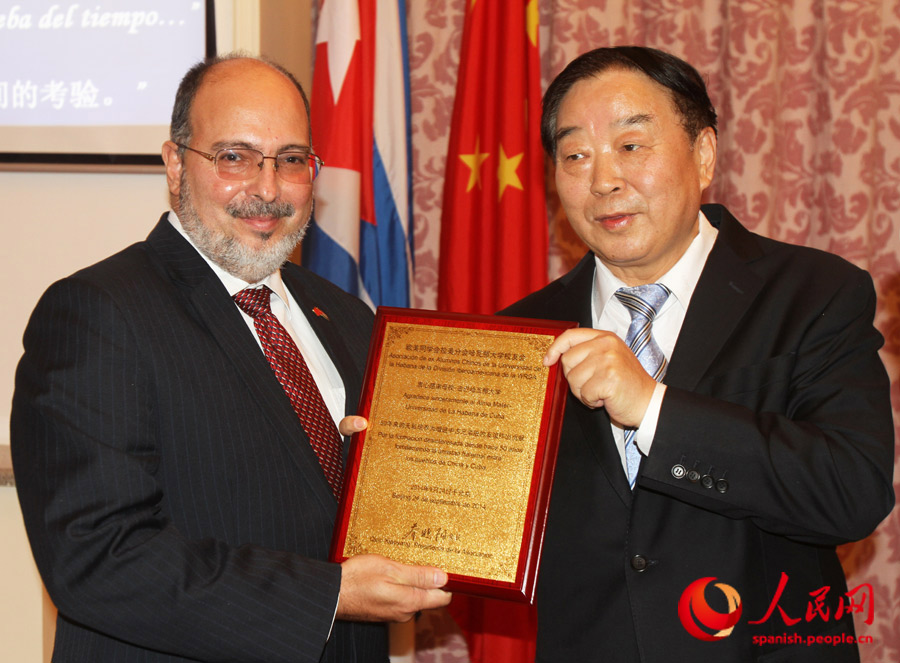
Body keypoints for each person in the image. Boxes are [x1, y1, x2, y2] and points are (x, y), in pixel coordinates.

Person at [11, 54, 450, 663]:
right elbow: (97, 554)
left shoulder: (351, 320)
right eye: (234, 157)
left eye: (292, 160)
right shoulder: (97, 313)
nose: (267, 190)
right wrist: (329, 597)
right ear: (174, 165)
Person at [500, 46, 895, 662]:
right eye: (575, 155)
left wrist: (654, 408)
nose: (603, 179)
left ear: (704, 154)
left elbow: (850, 493)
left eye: (631, 146)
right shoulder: (519, 332)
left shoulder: (813, 292)